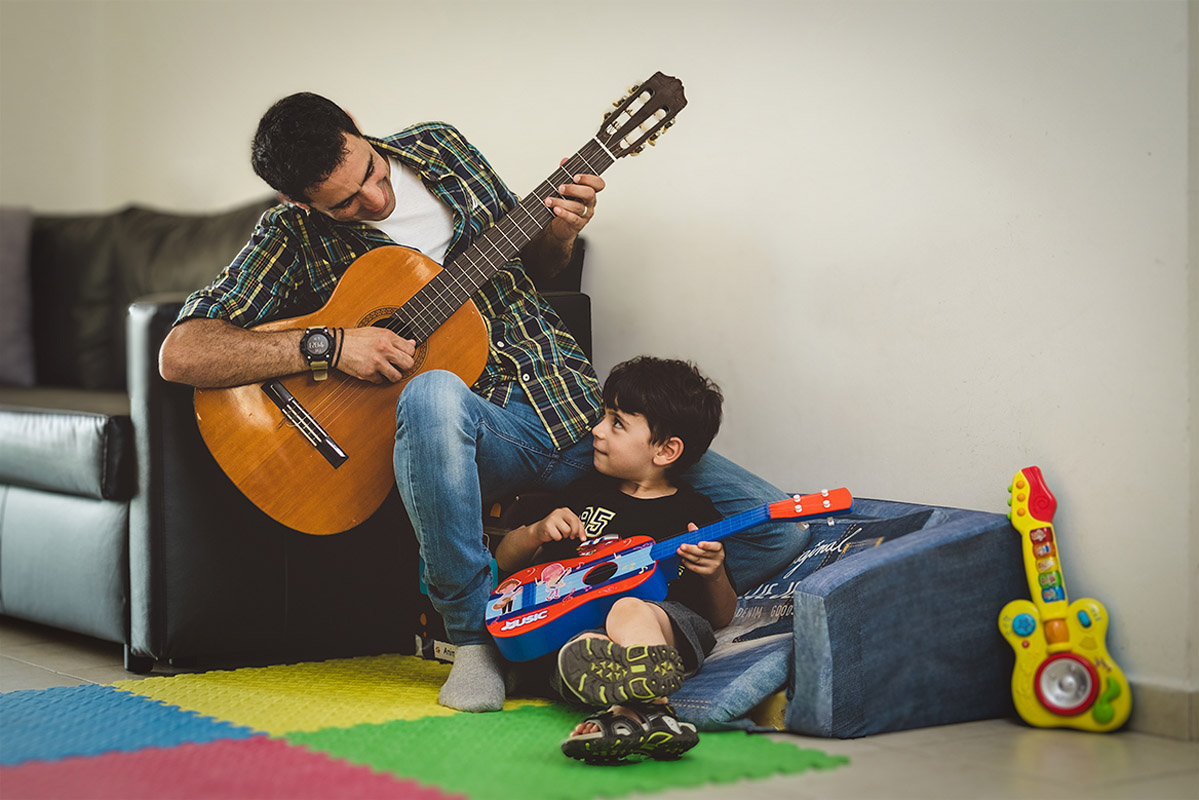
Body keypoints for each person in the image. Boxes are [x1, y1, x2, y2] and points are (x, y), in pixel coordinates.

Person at [159, 91, 807, 714]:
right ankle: (474, 639)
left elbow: (537, 268)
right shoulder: (290, 234)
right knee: (432, 390)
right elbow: (183, 352)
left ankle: (620, 628)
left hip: (577, 411)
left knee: (777, 526)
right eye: (348, 204)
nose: (376, 199)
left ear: (356, 128)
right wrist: (330, 345)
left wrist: (559, 232)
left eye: (373, 175)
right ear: (296, 201)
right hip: (472, 435)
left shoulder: (442, 150)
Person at [496, 357, 730, 761]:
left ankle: (635, 701)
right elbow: (503, 563)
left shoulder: (694, 513)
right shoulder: (586, 495)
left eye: (617, 422)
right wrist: (536, 532)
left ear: (666, 450)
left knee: (627, 608)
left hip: (666, 628)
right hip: (578, 633)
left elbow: (723, 617)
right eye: (604, 416)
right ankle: (643, 713)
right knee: (584, 647)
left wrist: (714, 573)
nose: (596, 430)